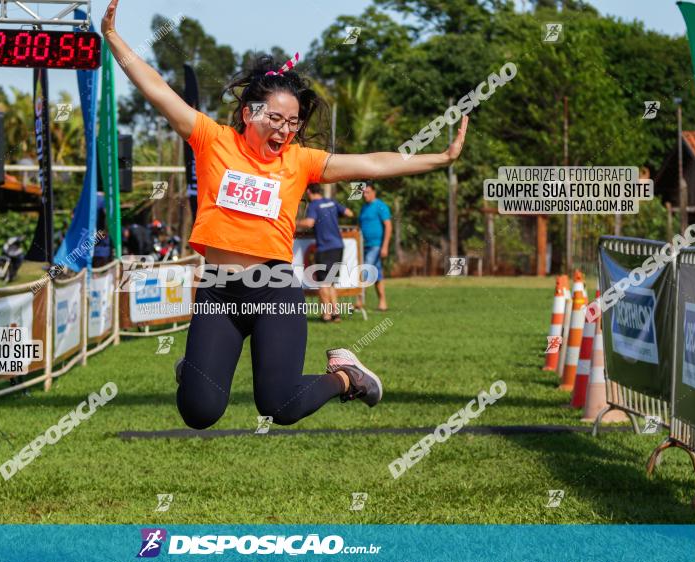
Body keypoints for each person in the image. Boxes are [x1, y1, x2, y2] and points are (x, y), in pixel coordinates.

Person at [102, 0, 468, 429]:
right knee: (199, 412)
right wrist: (113, 37)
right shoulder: (211, 139)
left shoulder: (299, 161)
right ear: (247, 114)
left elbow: (373, 163)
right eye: (274, 117)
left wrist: (439, 157)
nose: (284, 129)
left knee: (280, 406)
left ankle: (347, 377)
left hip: (273, 287)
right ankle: (197, 373)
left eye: (292, 122)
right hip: (218, 290)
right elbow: (157, 89)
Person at [298, 184, 353, 322]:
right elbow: (349, 213)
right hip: (338, 246)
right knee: (331, 282)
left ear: (309, 192)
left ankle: (327, 315)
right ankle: (336, 314)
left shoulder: (314, 205)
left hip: (324, 248)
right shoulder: (332, 202)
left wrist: (294, 223)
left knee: (323, 282)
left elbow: (309, 222)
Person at [358, 182, 392, 311]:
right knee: (377, 275)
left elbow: (388, 226)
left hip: (376, 245)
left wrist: (385, 246)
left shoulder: (380, 206)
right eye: (363, 193)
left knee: (365, 270)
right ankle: (383, 303)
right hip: (363, 245)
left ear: (374, 192)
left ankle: (359, 300)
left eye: (367, 192)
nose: (365, 195)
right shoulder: (363, 208)